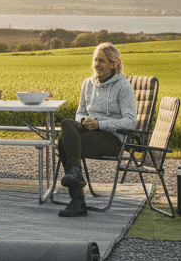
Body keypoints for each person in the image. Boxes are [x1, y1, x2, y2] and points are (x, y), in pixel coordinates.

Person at [56, 42, 136, 217]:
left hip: (112, 138)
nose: (96, 64)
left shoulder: (123, 86)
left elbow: (130, 122)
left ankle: (77, 200)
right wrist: (84, 121)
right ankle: (75, 173)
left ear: (113, 64)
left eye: (101, 60)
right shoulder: (87, 84)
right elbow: (79, 113)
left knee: (63, 143)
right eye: (95, 60)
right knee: (68, 124)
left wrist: (100, 124)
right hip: (90, 132)